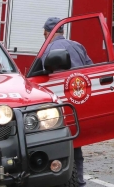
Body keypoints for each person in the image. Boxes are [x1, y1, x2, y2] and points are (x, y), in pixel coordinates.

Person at [41, 17, 92, 186]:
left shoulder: (48, 49)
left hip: (59, 106)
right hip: (79, 101)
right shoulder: (78, 46)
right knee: (76, 141)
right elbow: (91, 69)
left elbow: (42, 76)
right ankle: (79, 180)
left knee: (57, 143)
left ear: (47, 32)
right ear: (62, 31)